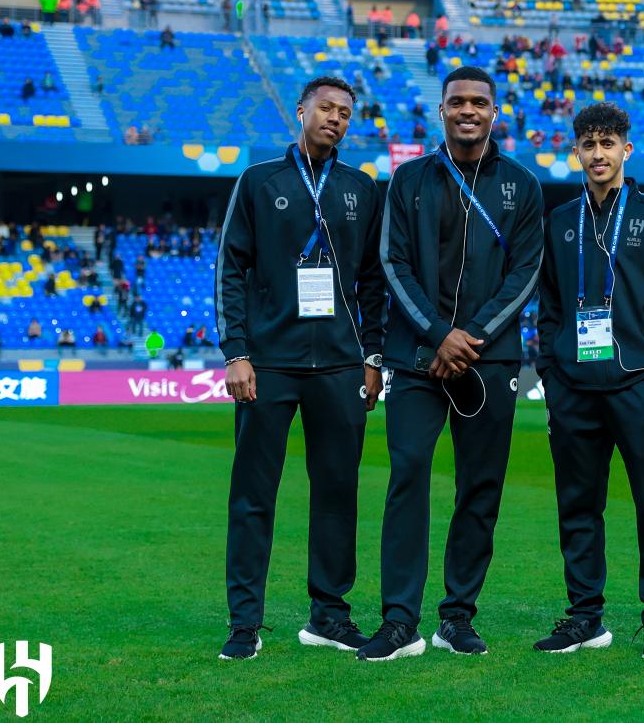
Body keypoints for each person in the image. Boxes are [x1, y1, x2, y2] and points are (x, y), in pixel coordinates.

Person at [361, 66, 544, 660]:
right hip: (416, 358)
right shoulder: (408, 179)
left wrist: (473, 336)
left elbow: (527, 271)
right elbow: (392, 263)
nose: (469, 110)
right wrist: (441, 335)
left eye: (480, 102)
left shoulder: (522, 184)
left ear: (496, 112)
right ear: (441, 111)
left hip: (490, 362)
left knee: (480, 488)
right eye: (457, 101)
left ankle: (458, 616)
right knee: (408, 475)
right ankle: (398, 621)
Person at [215, 76, 388, 661]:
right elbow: (231, 268)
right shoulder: (260, 181)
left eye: (345, 112)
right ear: (301, 111)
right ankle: (245, 623)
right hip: (268, 365)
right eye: (326, 109)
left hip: (340, 366)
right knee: (253, 496)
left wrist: (372, 354)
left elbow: (373, 281)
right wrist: (236, 351)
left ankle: (331, 616)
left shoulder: (361, 188)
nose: (336, 119)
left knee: (338, 493)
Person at [532, 103, 644, 658]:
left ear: (626, 149)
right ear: (575, 151)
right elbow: (548, 308)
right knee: (577, 505)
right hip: (574, 388)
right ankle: (584, 617)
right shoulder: (559, 222)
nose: (597, 154)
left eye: (608, 143)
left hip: (639, 385)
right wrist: (553, 376)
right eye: (588, 143)